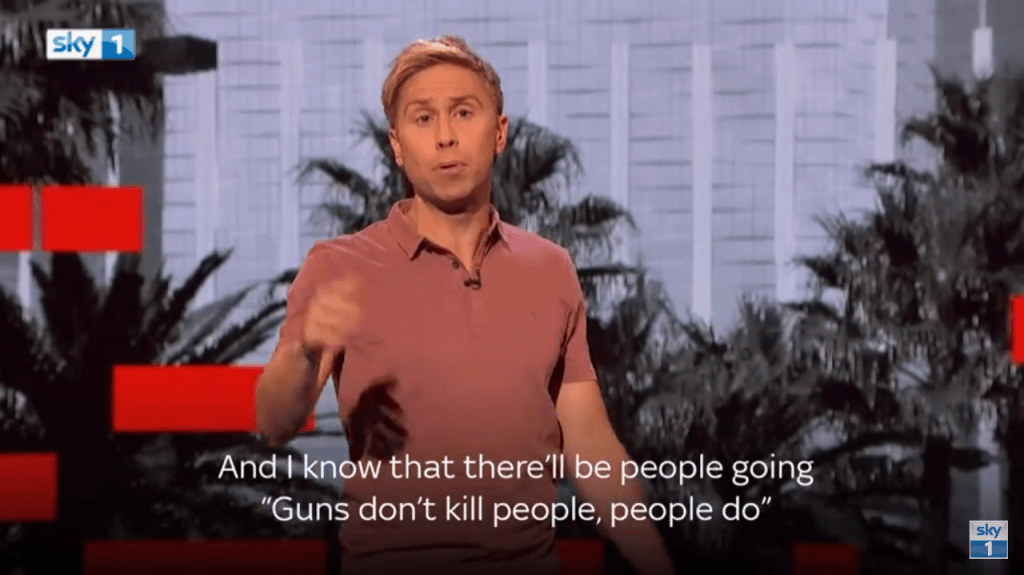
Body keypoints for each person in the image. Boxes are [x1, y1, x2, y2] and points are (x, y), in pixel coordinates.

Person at [255, 35, 675, 575]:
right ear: (398, 145)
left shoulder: (550, 269)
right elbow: (274, 424)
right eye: (423, 118)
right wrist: (305, 351)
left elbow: (590, 444)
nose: (445, 137)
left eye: (463, 112)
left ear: (499, 132)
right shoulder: (339, 266)